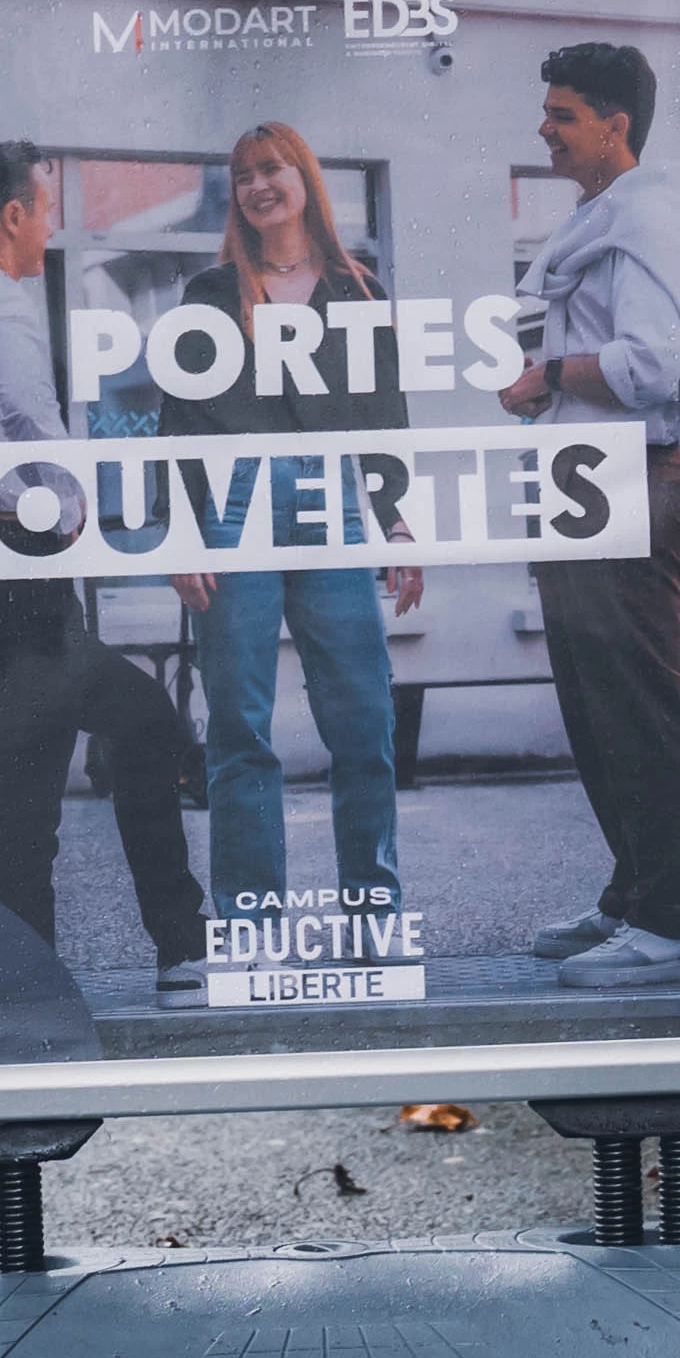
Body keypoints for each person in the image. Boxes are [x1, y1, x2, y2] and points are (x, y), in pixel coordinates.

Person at [0, 137, 204, 999]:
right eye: (48, 208)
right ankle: (144, 962)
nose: (52, 226)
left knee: (112, 734)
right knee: (40, 790)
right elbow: (29, 416)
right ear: (14, 214)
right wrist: (72, 511)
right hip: (12, 572)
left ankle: (93, 969)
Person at [158, 120, 410, 961]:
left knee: (365, 721)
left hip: (338, 500)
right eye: (243, 175)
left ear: (304, 176)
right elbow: (179, 421)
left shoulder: (359, 290)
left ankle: (375, 920)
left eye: (273, 168)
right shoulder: (209, 293)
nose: (259, 185)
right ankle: (251, 927)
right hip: (236, 503)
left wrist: (396, 517)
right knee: (240, 727)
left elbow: (383, 419)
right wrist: (183, 528)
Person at [495, 40, 680, 984]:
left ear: (614, 124)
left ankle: (669, 920)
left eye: (562, 113)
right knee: (596, 706)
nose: (544, 127)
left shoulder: (650, 215)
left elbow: (655, 363)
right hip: (584, 484)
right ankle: (632, 894)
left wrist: (547, 374)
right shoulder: (596, 217)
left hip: (631, 479)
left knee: (640, 703)